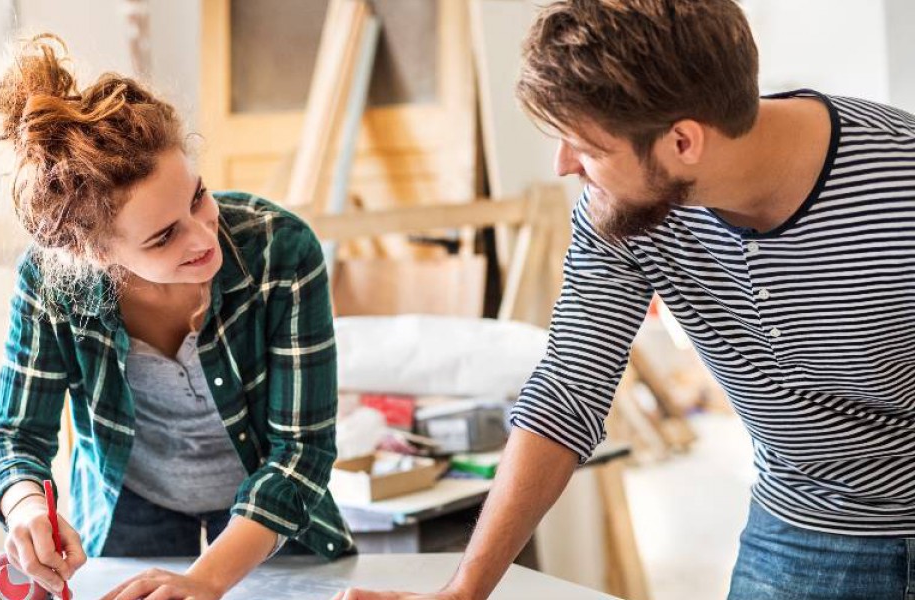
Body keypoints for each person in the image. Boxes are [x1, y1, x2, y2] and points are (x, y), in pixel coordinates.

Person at [337, 1, 915, 598]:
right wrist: (464, 591)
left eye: (586, 147)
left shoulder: (901, 191)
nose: (563, 166)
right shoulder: (623, 209)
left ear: (683, 141)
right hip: (799, 525)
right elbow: (568, 387)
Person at [0, 33, 353, 600]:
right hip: (131, 508)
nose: (206, 237)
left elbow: (301, 453)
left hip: (276, 522)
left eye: (198, 197)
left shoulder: (282, 249)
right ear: (95, 254)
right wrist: (27, 506)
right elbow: (13, 437)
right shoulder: (49, 281)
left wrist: (204, 582)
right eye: (163, 236)